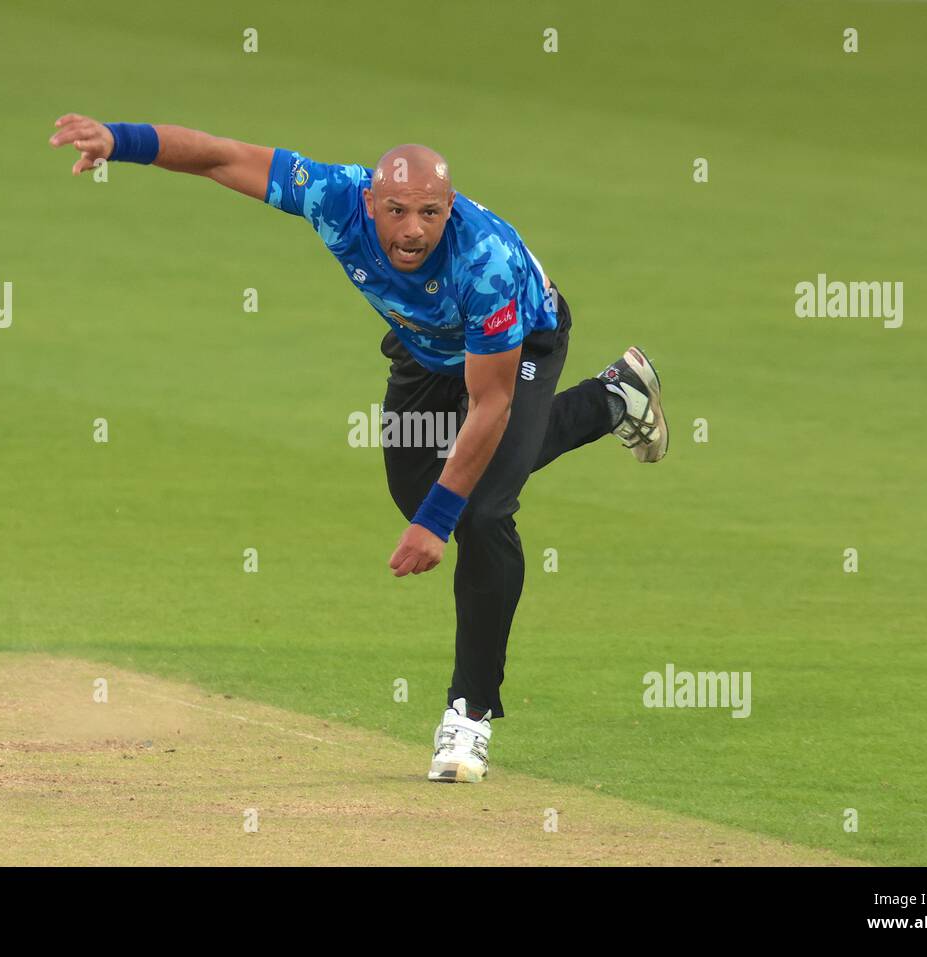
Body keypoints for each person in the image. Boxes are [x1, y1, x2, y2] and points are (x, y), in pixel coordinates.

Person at [49, 115, 668, 782]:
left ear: (449, 207)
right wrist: (122, 141)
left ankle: (469, 714)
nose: (411, 230)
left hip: (518, 348)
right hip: (424, 347)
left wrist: (438, 522)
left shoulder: (482, 261)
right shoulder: (333, 195)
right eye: (396, 211)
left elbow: (490, 404)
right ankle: (615, 398)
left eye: (430, 213)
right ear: (370, 202)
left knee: (480, 512)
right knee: (422, 488)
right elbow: (220, 159)